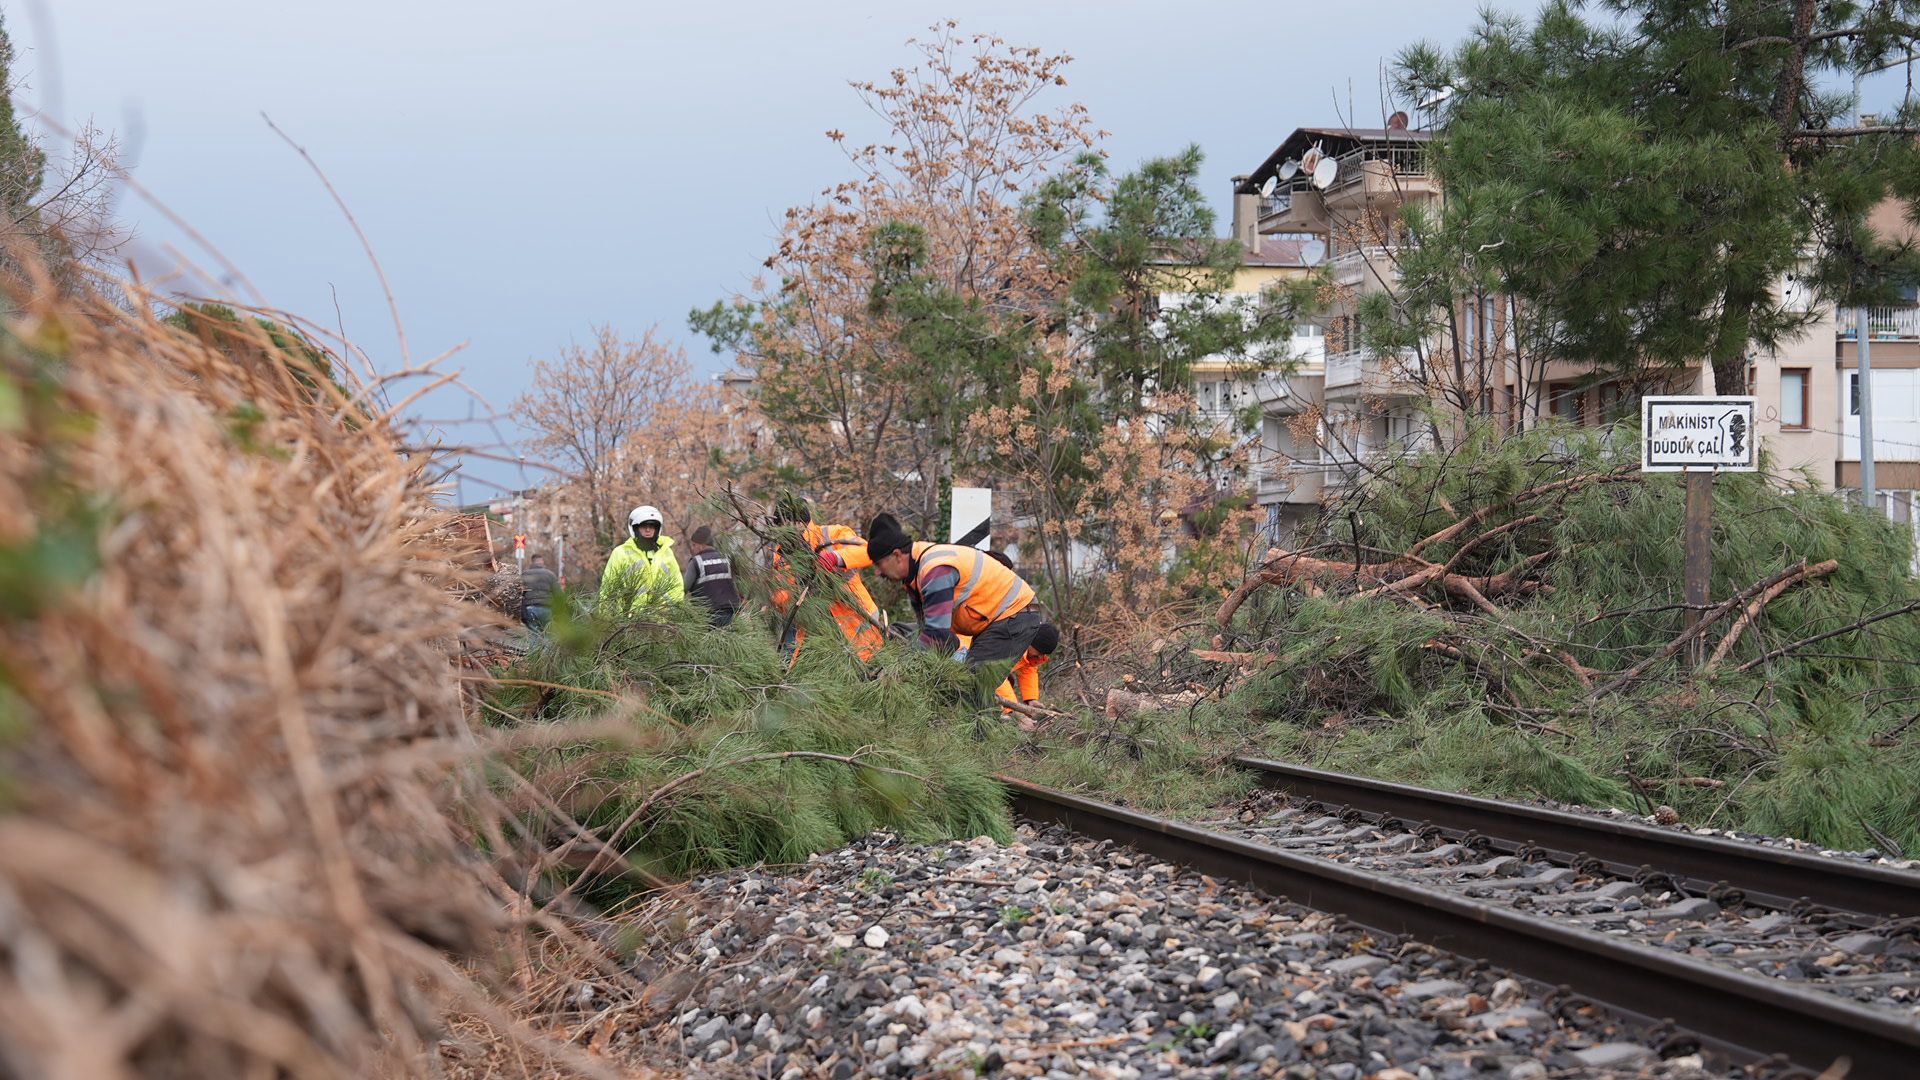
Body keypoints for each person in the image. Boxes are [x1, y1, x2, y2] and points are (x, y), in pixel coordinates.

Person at [865, 513, 1058, 711]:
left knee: (971, 686)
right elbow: (933, 634)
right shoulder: (913, 577)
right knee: (963, 685)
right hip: (992, 620)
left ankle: (980, 739)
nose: (877, 572)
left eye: (879, 564)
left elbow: (936, 635)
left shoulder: (935, 571)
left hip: (1016, 615)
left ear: (897, 555)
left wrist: (897, 667)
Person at [769, 491, 885, 662]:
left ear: (803, 523)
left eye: (791, 527)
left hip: (858, 632)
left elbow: (867, 551)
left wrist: (836, 558)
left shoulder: (833, 534)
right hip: (816, 639)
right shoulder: (782, 553)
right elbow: (781, 598)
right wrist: (795, 589)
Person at [600, 505, 684, 612]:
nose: (648, 530)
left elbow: (677, 585)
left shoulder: (666, 552)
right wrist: (606, 620)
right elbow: (608, 587)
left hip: (662, 620)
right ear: (635, 528)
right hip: (629, 620)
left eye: (652, 526)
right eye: (644, 526)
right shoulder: (620, 553)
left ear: (657, 528)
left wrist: (671, 611)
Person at [682, 524, 740, 627]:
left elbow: (684, 587)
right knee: (725, 640)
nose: (693, 548)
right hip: (729, 612)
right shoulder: (727, 558)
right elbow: (739, 583)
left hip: (705, 613)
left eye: (694, 545)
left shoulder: (696, 561)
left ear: (701, 545)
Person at [520, 552, 559, 630]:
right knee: (547, 634)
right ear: (542, 561)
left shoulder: (525, 574)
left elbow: (519, 593)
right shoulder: (550, 575)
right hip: (546, 608)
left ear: (532, 562)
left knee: (533, 635)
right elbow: (558, 594)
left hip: (530, 608)